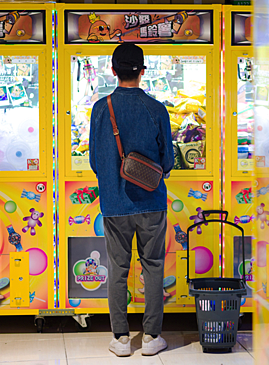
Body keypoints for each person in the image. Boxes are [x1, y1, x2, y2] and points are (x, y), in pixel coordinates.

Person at [89, 43, 174, 357]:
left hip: (114, 203)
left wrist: (114, 182)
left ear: (113, 71)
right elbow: (167, 162)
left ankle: (121, 339)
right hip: (151, 202)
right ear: (142, 70)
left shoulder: (101, 109)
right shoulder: (157, 109)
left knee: (118, 268)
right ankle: (152, 337)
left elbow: (96, 162)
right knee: (153, 266)